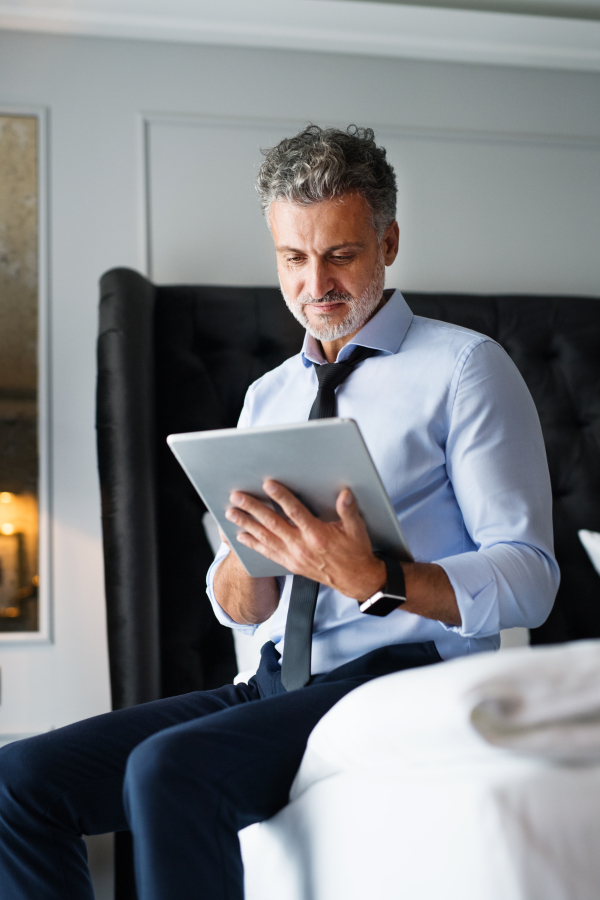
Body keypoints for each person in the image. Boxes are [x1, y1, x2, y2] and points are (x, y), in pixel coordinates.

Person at [0, 125, 559, 900]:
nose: (315, 284)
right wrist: (242, 573)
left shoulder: (465, 368)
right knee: (20, 779)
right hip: (273, 680)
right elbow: (240, 603)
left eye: (341, 254)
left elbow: (530, 578)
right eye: (294, 259)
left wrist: (374, 577)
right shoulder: (266, 397)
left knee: (168, 768)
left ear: (388, 241)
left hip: (393, 676)